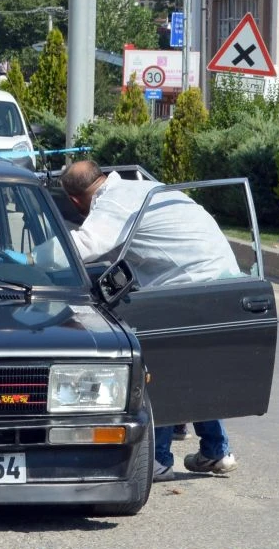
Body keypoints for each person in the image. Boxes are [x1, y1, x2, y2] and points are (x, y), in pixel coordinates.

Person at [59, 159, 241, 480]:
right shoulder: (139, 188)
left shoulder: (112, 202)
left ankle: (159, 460)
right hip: (226, 282)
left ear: (75, 201)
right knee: (192, 370)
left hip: (190, 289)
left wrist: (31, 257)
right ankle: (216, 451)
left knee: (162, 369)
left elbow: (85, 246)